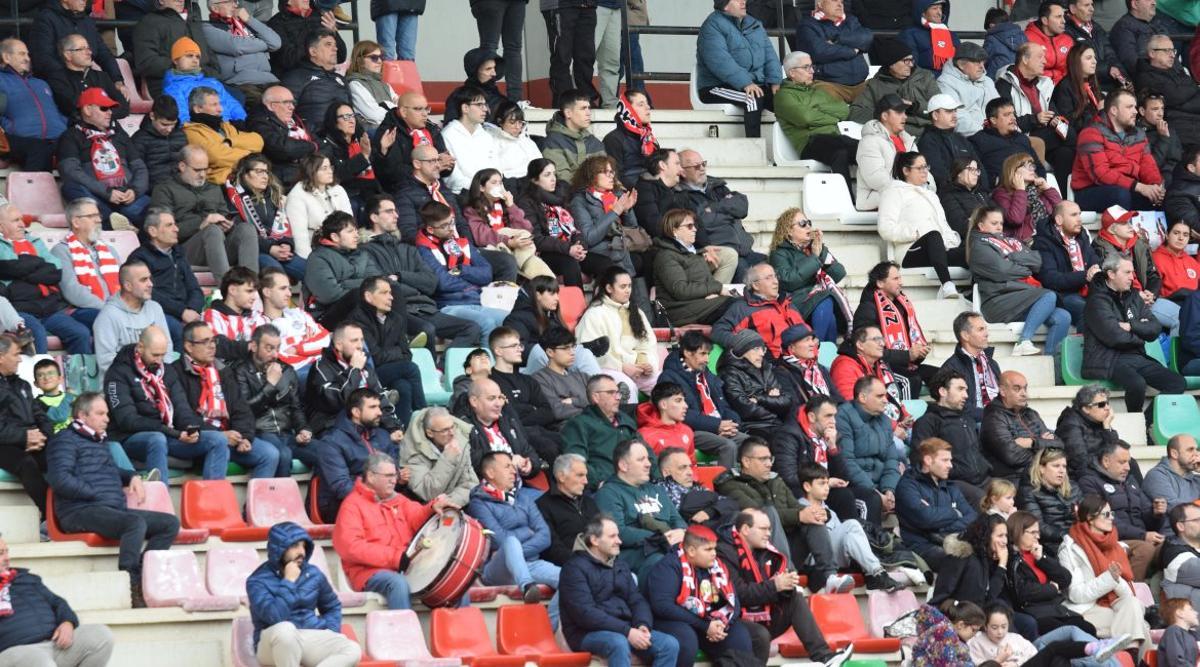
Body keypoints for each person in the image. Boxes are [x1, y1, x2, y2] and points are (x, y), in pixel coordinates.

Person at [47, 392, 179, 605]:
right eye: (100, 414)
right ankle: (130, 583)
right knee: (134, 523)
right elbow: (59, 479)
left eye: (107, 414)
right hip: (79, 511)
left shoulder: (98, 440)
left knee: (169, 523)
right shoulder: (63, 440)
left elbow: (110, 471)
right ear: (82, 415)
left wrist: (132, 476)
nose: (107, 419)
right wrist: (92, 494)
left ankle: (146, 574)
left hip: (108, 508)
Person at [715, 508, 856, 667]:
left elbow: (771, 588)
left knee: (794, 598)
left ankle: (825, 657)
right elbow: (738, 594)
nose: (768, 534)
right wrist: (775, 585)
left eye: (769, 529)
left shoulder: (764, 551)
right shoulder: (724, 552)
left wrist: (786, 587)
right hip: (733, 620)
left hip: (762, 614)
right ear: (746, 529)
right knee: (760, 635)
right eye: (763, 529)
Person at [104, 326, 230, 481]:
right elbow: (128, 421)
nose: (159, 361)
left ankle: (212, 493)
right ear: (140, 348)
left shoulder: (167, 371)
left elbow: (182, 410)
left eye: (162, 355)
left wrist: (191, 429)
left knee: (217, 439)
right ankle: (160, 494)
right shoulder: (117, 373)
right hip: (130, 438)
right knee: (156, 439)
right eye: (155, 355)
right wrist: (173, 433)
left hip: (168, 434)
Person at [332, 451, 453, 610]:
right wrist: (395, 558)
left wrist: (432, 507)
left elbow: (417, 516)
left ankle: (459, 626)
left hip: (406, 566)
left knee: (451, 580)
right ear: (371, 476)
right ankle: (403, 627)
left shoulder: (398, 499)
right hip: (369, 573)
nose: (394, 480)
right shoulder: (352, 505)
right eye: (388, 476)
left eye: (395, 475)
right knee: (397, 583)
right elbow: (351, 548)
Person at [558, 514, 682, 667]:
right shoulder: (573, 568)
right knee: (618, 643)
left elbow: (636, 600)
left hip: (625, 628)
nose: (619, 541)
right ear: (594, 540)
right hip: (585, 632)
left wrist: (642, 624)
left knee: (669, 644)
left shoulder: (620, 565)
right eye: (612, 536)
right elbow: (585, 614)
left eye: (618, 535)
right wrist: (627, 632)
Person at [362, 196, 480, 349]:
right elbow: (383, 285)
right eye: (389, 211)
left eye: (396, 211)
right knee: (426, 330)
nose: (396, 215)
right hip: (397, 311)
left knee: (472, 328)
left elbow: (431, 282)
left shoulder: (408, 249)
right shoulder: (365, 251)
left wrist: (401, 276)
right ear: (374, 217)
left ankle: (445, 363)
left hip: (425, 308)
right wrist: (415, 284)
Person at [172, 321, 279, 477]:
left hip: (229, 436)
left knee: (270, 454)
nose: (212, 346)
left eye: (213, 340)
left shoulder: (223, 370)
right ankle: (214, 494)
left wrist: (244, 437)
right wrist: (221, 435)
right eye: (205, 342)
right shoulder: (175, 371)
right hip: (198, 439)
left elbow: (241, 409)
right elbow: (183, 417)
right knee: (219, 443)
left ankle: (256, 495)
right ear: (189, 346)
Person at [247, 522, 360, 666]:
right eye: (295, 546)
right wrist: (289, 581)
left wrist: (330, 629)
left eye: (303, 546)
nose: (302, 552)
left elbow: (332, 606)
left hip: (308, 635)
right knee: (285, 630)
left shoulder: (313, 574)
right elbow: (275, 617)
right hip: (271, 642)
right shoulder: (257, 580)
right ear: (279, 549)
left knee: (351, 649)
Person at [1084, 254, 1186, 414]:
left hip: (1137, 356)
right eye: (1127, 272)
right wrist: (1140, 333)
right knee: (1137, 384)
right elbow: (1115, 337)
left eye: (1132, 272)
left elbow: (1155, 328)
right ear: (1111, 274)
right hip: (1109, 358)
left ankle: (1145, 422)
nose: (1132, 277)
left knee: (1177, 382)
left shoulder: (1134, 297)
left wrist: (1131, 326)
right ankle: (1135, 419)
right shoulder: (1097, 300)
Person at [968, 204, 1071, 356]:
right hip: (999, 300)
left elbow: (1037, 261)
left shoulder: (1010, 241)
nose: (999, 227)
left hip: (1021, 296)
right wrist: (1026, 269)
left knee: (1063, 317)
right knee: (1048, 296)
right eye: (994, 223)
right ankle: (1024, 341)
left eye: (1001, 223)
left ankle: (1052, 363)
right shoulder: (979, 246)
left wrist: (1012, 257)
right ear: (981, 226)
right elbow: (1003, 271)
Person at [468, 450, 561, 612]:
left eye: (513, 466)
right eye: (507, 467)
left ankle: (550, 624)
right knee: (510, 542)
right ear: (490, 473)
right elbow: (499, 540)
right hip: (498, 567)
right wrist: (528, 532)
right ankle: (527, 587)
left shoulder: (523, 498)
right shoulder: (479, 503)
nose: (513, 471)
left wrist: (516, 554)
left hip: (531, 563)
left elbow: (545, 536)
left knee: (570, 579)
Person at [0, 534, 115, 664]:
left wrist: (67, 622)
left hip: (54, 644)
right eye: (1, 553)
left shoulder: (26, 578)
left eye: (7, 552)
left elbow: (57, 603)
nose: (7, 558)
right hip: (17, 651)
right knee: (41, 662)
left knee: (100, 636)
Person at [150, 145, 258, 281]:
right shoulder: (164, 190)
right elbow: (162, 231)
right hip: (184, 250)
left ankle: (251, 286)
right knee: (212, 230)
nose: (202, 174)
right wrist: (201, 224)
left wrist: (228, 226)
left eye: (205, 169)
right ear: (182, 166)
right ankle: (227, 288)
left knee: (247, 229)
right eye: (197, 170)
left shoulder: (214, 189)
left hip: (219, 247)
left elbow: (225, 216)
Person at [0, 204, 94, 355]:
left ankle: (80, 370)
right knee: (37, 334)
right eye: (15, 220)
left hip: (49, 309)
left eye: (22, 219)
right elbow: (6, 268)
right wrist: (37, 263)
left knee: (80, 333)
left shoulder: (35, 241)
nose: (22, 224)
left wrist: (21, 269)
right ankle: (38, 371)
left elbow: (55, 272)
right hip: (19, 310)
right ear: (1, 226)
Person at [1058, 495, 1150, 647]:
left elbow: (1127, 594)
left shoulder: (1116, 546)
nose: (1111, 518)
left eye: (1112, 513)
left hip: (1114, 604)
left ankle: (1129, 655)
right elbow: (1076, 594)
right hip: (1086, 609)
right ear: (1090, 518)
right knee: (1139, 626)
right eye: (1106, 514)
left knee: (1132, 605)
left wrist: (1115, 579)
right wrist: (1109, 579)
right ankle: (1133, 656)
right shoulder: (1070, 549)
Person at [413, 202, 509, 343]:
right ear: (430, 229)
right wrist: (473, 283)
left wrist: (462, 270)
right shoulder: (423, 250)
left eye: (451, 222)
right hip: (449, 305)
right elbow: (442, 283)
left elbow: (487, 274)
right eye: (444, 226)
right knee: (487, 323)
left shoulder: (461, 243)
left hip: (476, 301)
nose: (451, 228)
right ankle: (485, 358)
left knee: (510, 319)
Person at [57, 88, 150, 230]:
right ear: (87, 110)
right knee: (71, 188)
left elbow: (139, 167)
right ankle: (111, 222)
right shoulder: (71, 136)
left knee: (156, 212)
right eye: (104, 108)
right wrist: (106, 192)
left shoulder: (120, 135)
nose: (110, 112)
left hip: (127, 196)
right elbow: (71, 172)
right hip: (98, 197)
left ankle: (127, 225)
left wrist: (134, 191)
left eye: (111, 108)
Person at [878, 152, 963, 301]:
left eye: (926, 167)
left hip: (938, 250)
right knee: (933, 235)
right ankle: (947, 284)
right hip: (911, 251)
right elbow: (885, 228)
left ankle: (976, 292)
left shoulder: (931, 195)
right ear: (906, 170)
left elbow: (943, 225)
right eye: (920, 168)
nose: (925, 171)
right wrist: (915, 233)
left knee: (971, 250)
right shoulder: (893, 192)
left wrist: (952, 241)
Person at [232, 324, 314, 474]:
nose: (275, 355)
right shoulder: (240, 371)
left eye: (277, 348)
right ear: (254, 346)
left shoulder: (287, 370)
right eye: (269, 349)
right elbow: (245, 411)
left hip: (287, 433)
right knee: (283, 455)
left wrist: (303, 429)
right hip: (261, 432)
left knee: (326, 452)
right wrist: (270, 385)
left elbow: (296, 407)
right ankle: (277, 490)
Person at [1078, 440, 1165, 580]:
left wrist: (1155, 514)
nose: (1128, 468)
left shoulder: (1131, 482)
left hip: (1141, 537)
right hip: (1112, 541)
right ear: (1106, 461)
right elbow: (1104, 520)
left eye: (1128, 462)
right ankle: (1132, 590)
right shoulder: (1089, 482)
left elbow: (1145, 516)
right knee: (1145, 549)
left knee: (1173, 547)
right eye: (1122, 462)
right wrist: (1143, 535)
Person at [660, 331, 746, 469]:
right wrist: (716, 426)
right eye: (703, 354)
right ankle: (724, 482)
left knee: (750, 443)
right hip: (690, 430)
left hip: (716, 427)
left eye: (708, 354)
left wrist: (732, 424)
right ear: (687, 353)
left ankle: (746, 482)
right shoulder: (669, 377)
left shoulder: (706, 375)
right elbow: (681, 415)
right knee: (727, 446)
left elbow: (723, 405)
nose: (707, 360)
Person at [314, 386, 401, 521]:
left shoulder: (383, 436)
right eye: (372, 407)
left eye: (379, 407)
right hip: (340, 504)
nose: (379, 412)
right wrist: (376, 497)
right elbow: (342, 487)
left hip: (380, 499)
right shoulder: (331, 442)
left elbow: (394, 471)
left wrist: (399, 477)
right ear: (356, 412)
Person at [696, 0, 781, 139]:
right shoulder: (712, 26)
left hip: (752, 83)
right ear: (725, 5)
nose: (743, 2)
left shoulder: (754, 23)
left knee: (784, 97)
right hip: (715, 86)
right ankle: (753, 145)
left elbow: (770, 55)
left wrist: (775, 81)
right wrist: (745, 83)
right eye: (737, 0)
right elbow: (720, 61)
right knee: (753, 98)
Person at [995, 43, 1077, 188]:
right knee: (1071, 137)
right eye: (1040, 57)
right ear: (1025, 60)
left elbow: (1054, 112)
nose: (1045, 61)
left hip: (1046, 135)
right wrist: (1035, 119)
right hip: (1022, 136)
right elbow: (1007, 122)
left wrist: (1055, 120)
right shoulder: (1005, 84)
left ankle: (1062, 196)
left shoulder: (1044, 84)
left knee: (1065, 152)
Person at [852, 261, 937, 396]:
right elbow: (867, 350)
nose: (901, 283)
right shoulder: (867, 309)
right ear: (880, 283)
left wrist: (919, 353)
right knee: (911, 381)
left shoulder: (902, 306)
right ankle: (904, 410)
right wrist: (907, 355)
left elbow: (910, 349)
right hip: (882, 366)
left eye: (900, 278)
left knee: (945, 376)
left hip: (905, 364)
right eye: (896, 279)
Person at [774, 50, 857, 187]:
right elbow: (805, 118)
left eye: (812, 66)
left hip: (835, 137)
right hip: (810, 143)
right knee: (839, 153)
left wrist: (816, 107)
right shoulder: (783, 96)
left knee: (866, 149)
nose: (812, 71)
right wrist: (833, 118)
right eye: (806, 67)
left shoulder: (818, 91)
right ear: (792, 72)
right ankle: (846, 196)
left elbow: (843, 110)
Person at [1072, 89, 1165, 212]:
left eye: (1135, 107)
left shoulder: (1139, 134)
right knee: (1120, 195)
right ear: (1114, 110)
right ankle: (1120, 225)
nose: (1135, 111)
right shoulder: (1090, 133)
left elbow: (1148, 166)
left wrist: (1155, 186)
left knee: (1162, 198)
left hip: (1128, 188)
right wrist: (1138, 186)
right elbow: (1101, 174)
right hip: (1091, 189)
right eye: (1129, 107)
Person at [305, 321, 403, 436]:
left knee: (390, 441)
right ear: (338, 345)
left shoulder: (364, 366)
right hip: (332, 428)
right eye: (354, 340)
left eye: (361, 340)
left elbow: (380, 398)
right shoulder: (321, 368)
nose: (360, 345)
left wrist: (393, 428)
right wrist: (354, 370)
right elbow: (338, 402)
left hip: (364, 426)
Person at [894, 434, 977, 570]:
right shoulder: (908, 485)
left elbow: (972, 518)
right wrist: (955, 513)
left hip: (951, 540)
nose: (950, 465)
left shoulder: (950, 486)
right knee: (960, 562)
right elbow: (925, 518)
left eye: (950, 460)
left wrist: (939, 528)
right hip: (922, 546)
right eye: (945, 460)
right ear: (928, 460)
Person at [911, 368, 991, 507]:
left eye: (966, 390)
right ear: (943, 391)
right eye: (960, 389)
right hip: (951, 483)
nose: (966, 395)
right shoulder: (928, 422)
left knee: (1009, 491)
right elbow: (920, 460)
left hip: (983, 480)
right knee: (983, 500)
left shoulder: (968, 419)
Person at [768, 209, 850, 343]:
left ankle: (825, 351)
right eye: (802, 224)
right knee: (825, 299)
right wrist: (815, 258)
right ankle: (816, 345)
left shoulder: (815, 248)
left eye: (809, 223)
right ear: (789, 231)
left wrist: (821, 252)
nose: (808, 227)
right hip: (795, 301)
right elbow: (788, 281)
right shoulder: (779, 253)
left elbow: (839, 274)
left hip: (819, 299)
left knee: (830, 313)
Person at [676, 150, 760, 278]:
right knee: (743, 269)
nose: (702, 169)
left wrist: (715, 208)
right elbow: (702, 222)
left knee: (768, 266)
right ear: (682, 171)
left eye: (703, 164)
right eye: (696, 166)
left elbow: (741, 207)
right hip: (719, 250)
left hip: (744, 249)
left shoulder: (717, 186)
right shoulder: (681, 196)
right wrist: (728, 211)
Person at [576, 266, 660, 393]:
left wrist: (646, 363)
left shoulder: (637, 312)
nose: (628, 290)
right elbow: (588, 353)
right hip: (607, 369)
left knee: (664, 381)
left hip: (636, 368)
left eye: (629, 286)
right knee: (627, 388)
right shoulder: (594, 314)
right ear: (609, 288)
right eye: (623, 287)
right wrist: (622, 367)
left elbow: (648, 343)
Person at [1095, 204, 1176, 333]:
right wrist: (1137, 296)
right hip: (1122, 304)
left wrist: (1151, 294)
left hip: (1147, 300)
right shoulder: (1099, 249)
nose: (1130, 226)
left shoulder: (1139, 244)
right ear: (1112, 229)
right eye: (1124, 223)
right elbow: (1107, 285)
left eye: (1129, 221)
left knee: (1184, 316)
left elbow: (1153, 275)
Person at [463, 170, 553, 281]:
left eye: (500, 183)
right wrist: (508, 241)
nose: (499, 186)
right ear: (481, 187)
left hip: (518, 249)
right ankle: (521, 268)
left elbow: (527, 229)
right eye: (494, 182)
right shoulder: (472, 209)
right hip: (494, 248)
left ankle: (546, 283)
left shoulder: (504, 205)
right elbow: (482, 235)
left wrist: (511, 205)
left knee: (545, 275)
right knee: (508, 234)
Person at [225, 155, 304, 280]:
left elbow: (282, 224)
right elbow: (239, 232)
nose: (265, 176)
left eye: (266, 172)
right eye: (259, 171)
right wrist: (270, 248)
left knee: (310, 269)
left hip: (276, 247)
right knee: (277, 273)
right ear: (244, 174)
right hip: (254, 251)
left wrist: (286, 244)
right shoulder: (234, 198)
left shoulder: (273, 195)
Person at [92, 259, 172, 375]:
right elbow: (106, 362)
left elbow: (167, 347)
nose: (150, 284)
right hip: (122, 381)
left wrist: (162, 376)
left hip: (156, 378)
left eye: (149, 278)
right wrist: (141, 376)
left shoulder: (155, 308)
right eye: (144, 280)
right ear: (128, 286)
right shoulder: (108, 316)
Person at [0, 334, 50, 518]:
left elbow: (40, 415)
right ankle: (51, 516)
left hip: (31, 440)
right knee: (26, 463)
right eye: (16, 354)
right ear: (1, 357)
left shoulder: (22, 384)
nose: (20, 359)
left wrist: (43, 435)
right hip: (5, 444)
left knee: (62, 453)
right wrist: (25, 437)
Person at [981, 371, 1060, 485]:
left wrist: (1031, 443)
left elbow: (1059, 444)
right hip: (1013, 479)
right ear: (1002, 391)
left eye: (1025, 388)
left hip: (1040, 472)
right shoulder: (994, 417)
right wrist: (1044, 446)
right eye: (1017, 389)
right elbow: (1012, 456)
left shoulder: (1031, 414)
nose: (1024, 394)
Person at [0, 38, 66, 172]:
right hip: (21, 140)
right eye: (22, 54)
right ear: (6, 57)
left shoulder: (41, 83)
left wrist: (62, 124)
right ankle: (32, 186)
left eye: (28, 54)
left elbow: (56, 111)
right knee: (40, 149)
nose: (27, 58)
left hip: (56, 139)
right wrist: (8, 127)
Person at [712, 262, 809, 354]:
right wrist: (748, 347)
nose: (775, 281)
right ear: (755, 285)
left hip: (807, 361)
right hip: (772, 362)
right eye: (768, 278)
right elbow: (718, 331)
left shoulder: (789, 304)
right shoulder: (743, 308)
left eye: (775, 276)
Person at [1033, 199, 1099, 328]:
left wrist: (1096, 269)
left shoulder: (1082, 238)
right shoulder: (1043, 242)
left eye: (1079, 214)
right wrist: (1085, 275)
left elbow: (1094, 261)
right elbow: (1051, 279)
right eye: (1074, 215)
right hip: (1061, 295)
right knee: (1088, 311)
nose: (1079, 219)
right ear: (1059, 220)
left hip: (1088, 291)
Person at [50, 199, 123, 314]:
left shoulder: (109, 250)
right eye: (92, 216)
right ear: (76, 222)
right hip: (84, 310)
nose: (99, 220)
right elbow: (72, 291)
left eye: (98, 215)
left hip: (116, 308)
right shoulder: (61, 251)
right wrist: (108, 309)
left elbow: (124, 282)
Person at [571, 155, 640, 276]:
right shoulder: (580, 201)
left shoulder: (616, 194)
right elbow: (589, 238)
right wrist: (614, 212)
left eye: (611, 172)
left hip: (620, 245)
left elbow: (633, 229)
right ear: (592, 176)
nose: (611, 176)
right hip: (599, 250)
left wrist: (627, 211)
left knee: (646, 258)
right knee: (621, 263)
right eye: (605, 172)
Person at [717, 330, 794, 440]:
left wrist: (759, 399)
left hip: (776, 423)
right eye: (756, 349)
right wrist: (774, 407)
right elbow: (745, 408)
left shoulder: (766, 368)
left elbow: (786, 401)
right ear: (742, 351)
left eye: (763, 349)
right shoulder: (729, 373)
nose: (762, 353)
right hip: (754, 427)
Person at [203, 0, 280, 107]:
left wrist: (249, 19)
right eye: (229, 2)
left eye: (235, 1)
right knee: (267, 107)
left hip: (269, 79)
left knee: (286, 103)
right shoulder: (207, 28)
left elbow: (276, 43)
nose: (236, 5)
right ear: (215, 8)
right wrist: (265, 44)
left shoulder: (247, 24)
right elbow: (236, 46)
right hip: (243, 83)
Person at [794, 0, 873, 102]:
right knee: (834, 108)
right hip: (829, 84)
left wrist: (837, 39)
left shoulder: (851, 20)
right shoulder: (807, 25)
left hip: (861, 83)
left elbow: (866, 38)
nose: (840, 4)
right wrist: (852, 51)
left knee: (884, 96)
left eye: (841, 2)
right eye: (834, 1)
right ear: (820, 4)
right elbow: (820, 51)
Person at [132, 0, 216, 97]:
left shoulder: (193, 20)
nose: (181, 0)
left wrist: (213, 74)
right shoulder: (149, 22)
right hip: (170, 84)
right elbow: (145, 61)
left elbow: (210, 57)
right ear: (161, 1)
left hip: (205, 80)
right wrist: (180, 66)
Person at [257, 266, 330, 377]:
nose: (289, 294)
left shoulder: (299, 314)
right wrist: (307, 343)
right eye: (283, 289)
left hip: (322, 364)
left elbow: (325, 339)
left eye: (289, 289)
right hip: (298, 373)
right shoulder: (258, 324)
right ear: (267, 292)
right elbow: (278, 358)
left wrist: (296, 349)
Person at [30, 0, 122, 84]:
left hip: (86, 79)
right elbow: (43, 58)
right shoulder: (46, 19)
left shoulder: (87, 22)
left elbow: (104, 54)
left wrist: (117, 80)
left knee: (119, 93)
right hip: (58, 82)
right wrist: (71, 78)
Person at [183, 87, 262, 185]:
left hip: (242, 178)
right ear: (197, 109)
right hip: (222, 185)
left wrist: (230, 142)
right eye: (214, 105)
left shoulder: (225, 126)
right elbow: (217, 157)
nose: (220, 109)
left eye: (219, 104)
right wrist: (251, 157)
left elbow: (258, 141)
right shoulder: (191, 131)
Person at [1134, 34, 1200, 149]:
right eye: (1166, 51)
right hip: (1178, 126)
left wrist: (1186, 91)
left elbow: (1190, 86)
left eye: (1173, 50)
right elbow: (1176, 96)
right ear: (1152, 53)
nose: (1172, 55)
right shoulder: (1145, 77)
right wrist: (1190, 90)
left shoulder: (1175, 70)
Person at [247, 85, 320, 188]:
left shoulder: (296, 119)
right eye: (287, 103)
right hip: (285, 180)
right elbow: (283, 148)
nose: (292, 107)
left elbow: (321, 142)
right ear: (272, 106)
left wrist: (310, 147)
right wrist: (312, 146)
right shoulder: (258, 122)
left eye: (293, 102)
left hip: (309, 172)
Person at [45, 33, 129, 121]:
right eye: (81, 49)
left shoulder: (102, 76)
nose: (89, 52)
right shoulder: (58, 79)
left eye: (88, 48)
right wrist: (104, 112)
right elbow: (71, 107)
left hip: (109, 127)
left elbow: (123, 107)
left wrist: (103, 114)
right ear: (67, 55)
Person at [854, 94, 917, 212]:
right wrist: (908, 189)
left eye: (904, 112)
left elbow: (924, 171)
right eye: (899, 112)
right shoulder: (869, 141)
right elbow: (876, 178)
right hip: (875, 199)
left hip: (905, 195)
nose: (905, 117)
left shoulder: (908, 141)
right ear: (884, 116)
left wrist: (926, 187)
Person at [535, 452, 599, 566]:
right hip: (570, 567)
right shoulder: (542, 506)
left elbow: (605, 534)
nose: (586, 481)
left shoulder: (589, 502)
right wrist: (584, 563)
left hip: (599, 563)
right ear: (561, 477)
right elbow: (552, 548)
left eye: (585, 475)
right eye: (580, 475)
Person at [163, 37, 245, 125]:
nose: (195, 60)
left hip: (230, 127)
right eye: (189, 56)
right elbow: (183, 117)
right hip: (203, 129)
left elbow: (233, 105)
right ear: (176, 60)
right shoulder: (174, 88)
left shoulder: (213, 82)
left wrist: (242, 122)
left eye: (197, 57)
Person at [939, 311, 1001, 424]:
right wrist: (991, 415)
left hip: (999, 420)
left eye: (985, 329)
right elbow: (957, 407)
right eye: (981, 329)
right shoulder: (951, 367)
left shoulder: (992, 363)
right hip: (974, 424)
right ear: (965, 335)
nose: (987, 334)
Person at [1018, 447, 1083, 555]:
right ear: (1041, 468)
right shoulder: (1028, 492)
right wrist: (1067, 535)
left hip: (1079, 540)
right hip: (1051, 547)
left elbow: (1088, 516)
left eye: (1064, 466)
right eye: (1056, 466)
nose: (1061, 471)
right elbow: (1039, 527)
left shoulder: (1074, 488)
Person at [919, 94, 988, 190]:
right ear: (935, 115)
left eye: (955, 111)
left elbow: (980, 169)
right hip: (949, 195)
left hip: (974, 193)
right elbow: (939, 175)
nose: (955, 115)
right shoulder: (928, 141)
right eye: (949, 111)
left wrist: (983, 191)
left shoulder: (961, 139)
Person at [971, 98, 1044, 189]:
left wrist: (1039, 183)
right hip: (1002, 191)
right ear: (993, 120)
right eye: (1007, 115)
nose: (1013, 118)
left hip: (1031, 189)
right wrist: (999, 181)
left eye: (1013, 113)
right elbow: (977, 173)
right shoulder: (979, 140)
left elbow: (1039, 167)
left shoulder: (1022, 138)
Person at [1056, 384, 1121, 481]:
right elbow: (1080, 460)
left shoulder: (1099, 421)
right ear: (1086, 408)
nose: (1107, 408)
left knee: (1128, 463)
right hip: (1080, 478)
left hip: (1098, 470)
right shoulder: (1070, 425)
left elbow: (1115, 450)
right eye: (1101, 405)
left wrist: (1107, 428)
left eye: (1107, 403)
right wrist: (1107, 462)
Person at [992, 154, 1062, 243]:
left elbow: (1062, 212)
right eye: (1026, 166)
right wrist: (1020, 191)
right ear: (1013, 170)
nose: (1032, 169)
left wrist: (1047, 189)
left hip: (1052, 235)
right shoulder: (1001, 194)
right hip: (1027, 242)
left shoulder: (1039, 190)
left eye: (1032, 166)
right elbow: (1015, 219)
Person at [266, 0, 345, 75]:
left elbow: (340, 57)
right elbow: (288, 60)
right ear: (288, 1)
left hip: (325, 75)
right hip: (295, 77)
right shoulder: (276, 23)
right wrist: (308, 32)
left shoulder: (320, 17)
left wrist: (334, 33)